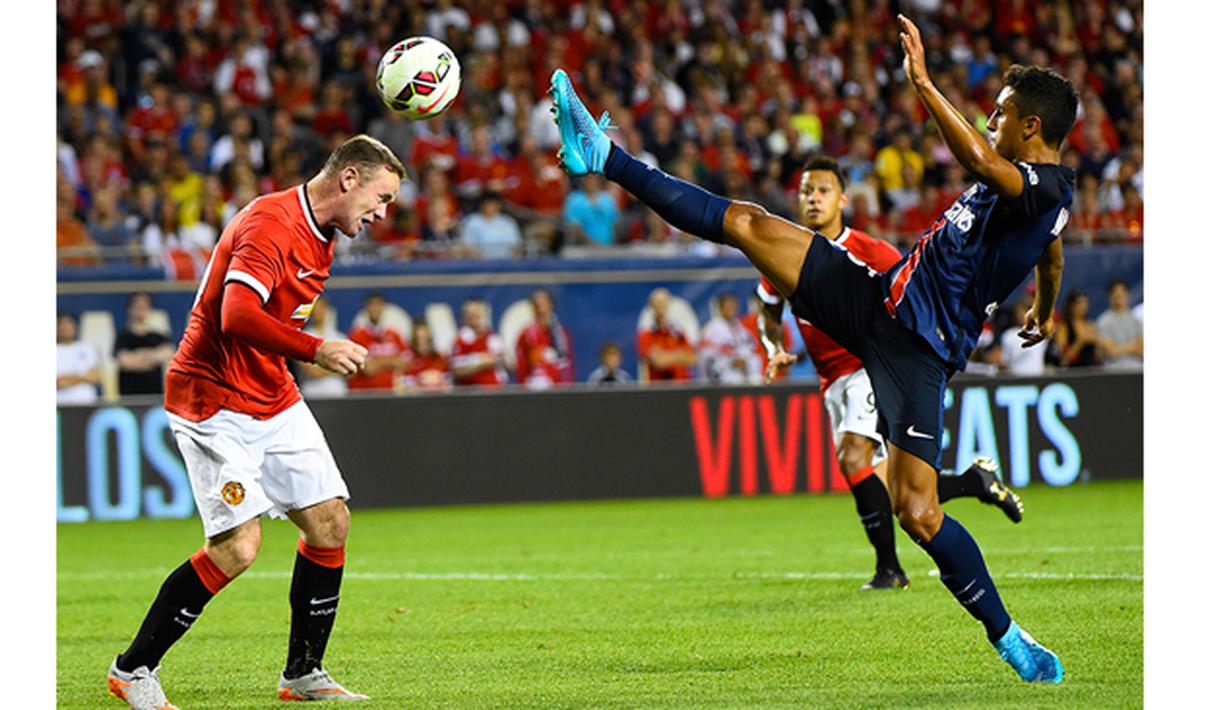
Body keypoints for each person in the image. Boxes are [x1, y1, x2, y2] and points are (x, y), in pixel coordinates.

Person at [549, 14, 1073, 682]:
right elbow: (1050, 251)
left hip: (920, 351)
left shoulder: (1044, 185)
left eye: (999, 114)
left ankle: (1009, 639)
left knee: (916, 510)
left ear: (1031, 128)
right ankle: (602, 157)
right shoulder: (1037, 199)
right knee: (745, 222)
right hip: (880, 299)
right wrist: (1046, 307)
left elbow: (985, 168)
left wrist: (920, 80)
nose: (990, 121)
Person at [106, 134, 407, 707]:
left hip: (271, 394)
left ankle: (302, 674)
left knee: (330, 525)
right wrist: (316, 348)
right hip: (212, 399)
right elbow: (237, 313)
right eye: (382, 196)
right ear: (349, 178)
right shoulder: (272, 223)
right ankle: (133, 668)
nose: (382, 212)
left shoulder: (322, 236)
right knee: (238, 547)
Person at [757, 155, 1024, 590]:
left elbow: (916, 296)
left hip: (870, 365)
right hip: (833, 382)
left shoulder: (873, 252)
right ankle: (974, 482)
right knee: (893, 482)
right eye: (806, 191)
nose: (813, 199)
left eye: (822, 190)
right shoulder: (785, 251)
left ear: (843, 198)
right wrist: (775, 347)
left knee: (852, 455)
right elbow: (766, 311)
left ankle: (890, 570)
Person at [346, 292, 411, 393]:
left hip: (390, 392)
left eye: (379, 304)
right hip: (364, 393)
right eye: (372, 304)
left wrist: (377, 362)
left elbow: (406, 363)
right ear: (366, 308)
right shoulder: (357, 336)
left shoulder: (394, 334)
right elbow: (367, 368)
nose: (375, 308)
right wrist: (392, 361)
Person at [114, 292, 175, 396]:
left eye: (144, 307)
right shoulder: (122, 337)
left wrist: (138, 355)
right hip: (129, 395)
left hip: (155, 394)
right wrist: (153, 357)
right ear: (129, 309)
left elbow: (168, 353)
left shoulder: (159, 337)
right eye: (137, 307)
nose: (140, 310)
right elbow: (125, 362)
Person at [515, 288, 575, 389]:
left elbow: (567, 362)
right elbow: (522, 365)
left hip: (557, 387)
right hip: (533, 387)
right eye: (536, 304)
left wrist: (566, 386)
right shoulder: (526, 334)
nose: (540, 306)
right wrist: (523, 387)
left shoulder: (561, 333)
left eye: (543, 302)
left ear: (551, 305)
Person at [636, 287, 697, 382]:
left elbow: (693, 359)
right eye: (657, 304)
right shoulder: (646, 335)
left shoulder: (678, 333)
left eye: (664, 303)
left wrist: (665, 356)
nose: (661, 308)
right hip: (659, 389)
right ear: (652, 307)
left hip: (682, 387)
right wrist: (680, 355)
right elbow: (658, 362)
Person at [698, 292, 758, 384]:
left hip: (740, 373)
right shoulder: (712, 329)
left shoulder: (740, 327)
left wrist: (743, 359)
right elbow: (707, 358)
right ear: (720, 308)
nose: (732, 308)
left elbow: (750, 347)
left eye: (734, 305)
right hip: (718, 377)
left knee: (755, 364)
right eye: (728, 305)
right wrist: (731, 361)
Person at [296, 295, 349, 398]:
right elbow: (312, 372)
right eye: (315, 308)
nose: (318, 311)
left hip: (339, 394)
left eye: (321, 307)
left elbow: (351, 371)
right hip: (313, 394)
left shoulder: (340, 337)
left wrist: (323, 366)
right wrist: (338, 368)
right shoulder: (303, 337)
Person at [450, 298, 508, 387]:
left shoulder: (493, 338)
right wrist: (483, 363)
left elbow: (509, 363)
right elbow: (457, 371)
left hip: (496, 391)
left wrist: (500, 360)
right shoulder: (461, 341)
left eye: (477, 311)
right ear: (464, 317)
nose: (474, 315)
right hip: (473, 393)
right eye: (470, 313)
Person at [1095, 279, 1143, 370]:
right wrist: (1132, 346)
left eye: (1122, 293)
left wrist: (1118, 348)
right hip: (1112, 371)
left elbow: (1141, 349)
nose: (1119, 296)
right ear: (1109, 297)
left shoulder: (1137, 320)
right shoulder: (1102, 321)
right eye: (1116, 294)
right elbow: (1111, 351)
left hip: (1138, 370)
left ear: (1128, 295)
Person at [57, 312, 102, 405]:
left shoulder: (87, 348)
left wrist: (70, 378)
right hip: (59, 404)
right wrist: (84, 377)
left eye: (68, 324)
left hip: (86, 403)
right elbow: (59, 383)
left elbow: (97, 377)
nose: (65, 328)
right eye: (61, 324)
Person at [1050, 289, 1100, 367]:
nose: (1083, 306)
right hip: (1072, 373)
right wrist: (1080, 342)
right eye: (1079, 303)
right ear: (1071, 305)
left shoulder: (1090, 325)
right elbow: (1063, 358)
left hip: (1091, 371)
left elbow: (1097, 355)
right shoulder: (1064, 327)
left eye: (1085, 303)